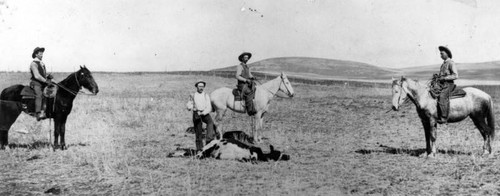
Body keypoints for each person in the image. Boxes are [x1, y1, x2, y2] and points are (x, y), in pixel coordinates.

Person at [187, 80, 216, 150]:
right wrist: (190, 107)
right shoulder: (193, 95)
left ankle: (209, 141)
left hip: (204, 113)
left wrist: (203, 113)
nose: (201, 88)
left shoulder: (206, 95)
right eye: (199, 86)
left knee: (210, 123)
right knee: (198, 132)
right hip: (196, 114)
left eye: (202, 86)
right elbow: (189, 105)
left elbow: (209, 107)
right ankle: (200, 149)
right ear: (196, 87)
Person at [436, 46, 458, 123]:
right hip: (442, 84)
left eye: (442, 53)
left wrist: (444, 78)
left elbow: (455, 75)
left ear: (447, 54)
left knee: (442, 96)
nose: (440, 55)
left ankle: (444, 117)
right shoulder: (443, 64)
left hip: (448, 84)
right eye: (440, 54)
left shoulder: (451, 63)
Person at [30, 47, 52, 121]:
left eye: (42, 54)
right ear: (36, 54)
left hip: (42, 83)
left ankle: (46, 111)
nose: (42, 55)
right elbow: (37, 76)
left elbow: (42, 74)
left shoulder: (41, 63)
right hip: (36, 83)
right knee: (39, 95)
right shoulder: (33, 64)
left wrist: (48, 76)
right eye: (40, 54)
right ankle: (38, 113)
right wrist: (46, 81)